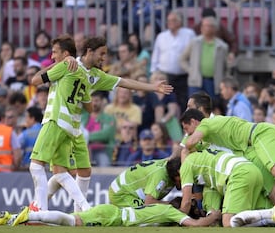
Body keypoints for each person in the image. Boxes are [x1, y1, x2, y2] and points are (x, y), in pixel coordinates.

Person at [29, 35, 173, 212]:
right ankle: (70, 210)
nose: (103, 58)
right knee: (66, 171)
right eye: (101, 54)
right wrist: (153, 86)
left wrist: (153, 87)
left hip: (60, 122)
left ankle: (53, 210)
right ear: (89, 51)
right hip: (71, 127)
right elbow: (101, 99)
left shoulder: (80, 69)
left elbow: (35, 80)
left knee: (45, 167)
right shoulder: (80, 68)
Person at [178, 150, 275, 228]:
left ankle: (271, 213)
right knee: (243, 220)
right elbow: (212, 203)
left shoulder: (186, 165)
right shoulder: (206, 169)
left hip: (239, 173)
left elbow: (186, 202)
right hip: (252, 170)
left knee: (228, 222)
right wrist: (211, 214)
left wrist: (178, 219)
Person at [0, 201, 221, 227]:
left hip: (112, 213)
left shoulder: (162, 208)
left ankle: (14, 219)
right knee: (70, 221)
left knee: (66, 224)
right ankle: (31, 214)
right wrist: (214, 216)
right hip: (112, 218)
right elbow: (195, 225)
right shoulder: (171, 212)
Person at [151, 10, 196, 112]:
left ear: (180, 22)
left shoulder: (189, 34)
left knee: (184, 101)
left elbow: (194, 54)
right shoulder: (161, 36)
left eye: (174, 20)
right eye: (169, 20)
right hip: (165, 76)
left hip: (183, 76)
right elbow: (155, 57)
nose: (170, 22)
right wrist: (154, 73)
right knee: (165, 101)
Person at [180, 16, 228, 98]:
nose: (207, 28)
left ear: (215, 29)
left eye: (210, 26)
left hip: (214, 82)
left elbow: (226, 66)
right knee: (194, 107)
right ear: (201, 28)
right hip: (196, 81)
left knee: (211, 106)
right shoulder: (194, 42)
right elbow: (182, 59)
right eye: (205, 25)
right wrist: (191, 70)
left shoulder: (222, 46)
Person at [109, 158, 178, 208]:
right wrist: (170, 204)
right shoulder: (160, 176)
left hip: (128, 187)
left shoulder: (170, 165)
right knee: (152, 220)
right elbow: (148, 202)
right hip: (121, 193)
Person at [81, 91, 116, 167]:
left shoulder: (109, 118)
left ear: (102, 102)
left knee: (104, 161)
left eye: (96, 101)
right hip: (82, 150)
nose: (94, 103)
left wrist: (85, 136)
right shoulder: (83, 116)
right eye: (91, 101)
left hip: (101, 150)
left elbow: (105, 135)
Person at [18, 106, 43, 171]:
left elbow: (17, 149)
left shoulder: (25, 134)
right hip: (44, 167)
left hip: (28, 167)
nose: (26, 120)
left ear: (32, 118)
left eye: (27, 117)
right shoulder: (46, 132)